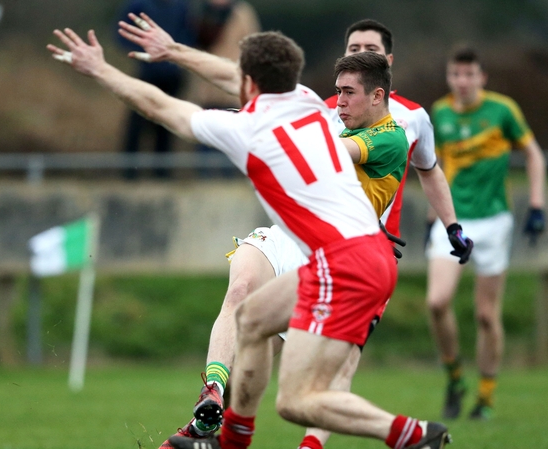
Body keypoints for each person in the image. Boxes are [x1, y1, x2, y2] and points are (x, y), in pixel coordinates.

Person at [48, 26, 452, 449]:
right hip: (348, 255)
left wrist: (99, 70)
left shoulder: (248, 130)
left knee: (298, 402)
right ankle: (232, 439)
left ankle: (414, 435)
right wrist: (177, 52)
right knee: (252, 319)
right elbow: (231, 75)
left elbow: (159, 106)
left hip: (347, 262)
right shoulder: (310, 104)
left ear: (248, 83)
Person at [426, 46, 547, 421]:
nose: (462, 81)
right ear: (449, 78)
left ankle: (486, 398)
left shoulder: (503, 110)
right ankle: (455, 378)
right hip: (454, 223)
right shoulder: (439, 113)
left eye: (469, 74)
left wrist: (537, 205)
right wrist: (435, 214)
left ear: (482, 77)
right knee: (436, 302)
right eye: (455, 75)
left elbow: (534, 155)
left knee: (485, 316)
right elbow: (435, 165)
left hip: (495, 221)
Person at [116, 0, 193, 179]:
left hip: (172, 74)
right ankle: (129, 173)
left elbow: (189, 34)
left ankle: (162, 174)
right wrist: (142, 49)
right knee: (137, 122)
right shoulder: (138, 5)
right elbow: (120, 32)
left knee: (167, 123)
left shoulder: (182, 6)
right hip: (146, 72)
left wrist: (177, 55)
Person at [192, 0, 260, 177]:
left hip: (232, 91)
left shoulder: (240, 12)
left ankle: (229, 180)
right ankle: (206, 181)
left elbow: (253, 46)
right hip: (209, 90)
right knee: (208, 141)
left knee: (231, 143)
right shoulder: (201, 12)